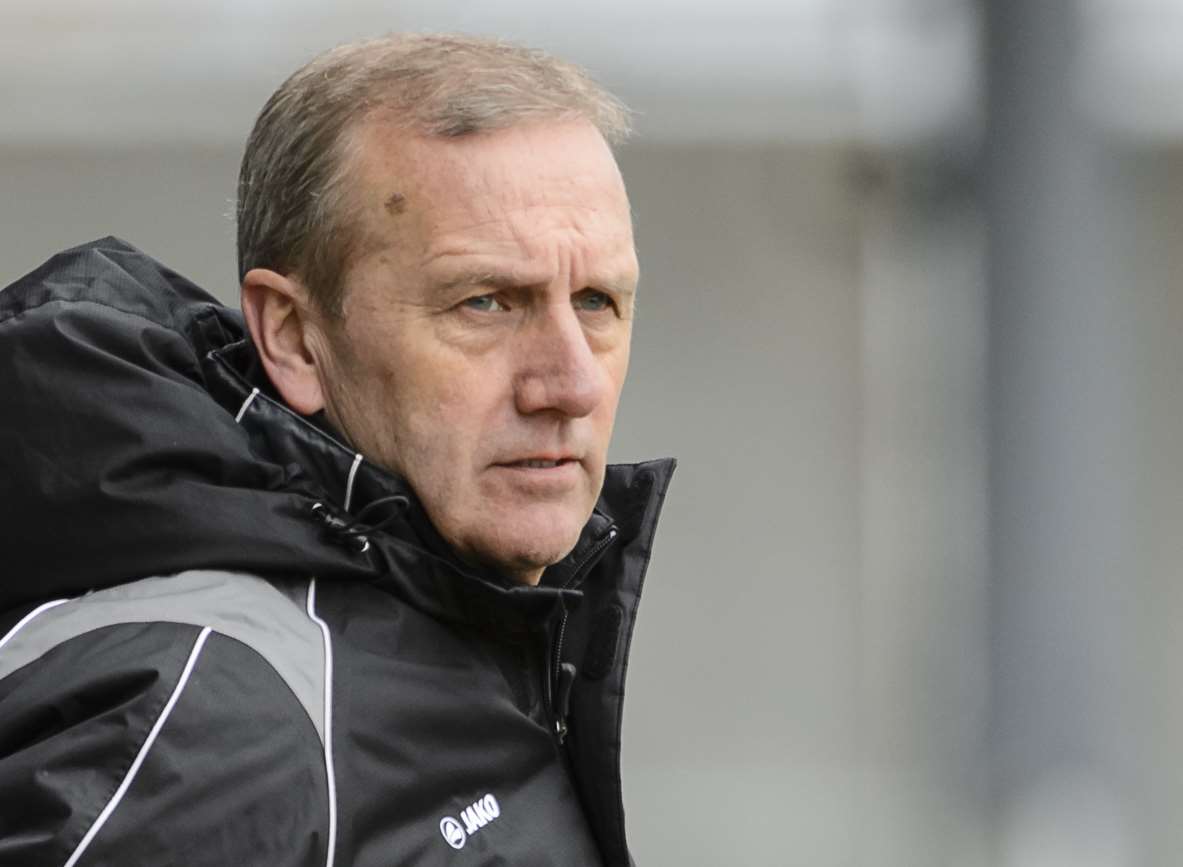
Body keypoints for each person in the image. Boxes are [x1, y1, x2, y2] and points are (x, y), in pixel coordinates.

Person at [0, 34, 674, 866]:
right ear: (293, 336)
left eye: (598, 301)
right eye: (486, 301)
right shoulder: (219, 727)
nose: (570, 383)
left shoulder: (466, 620)